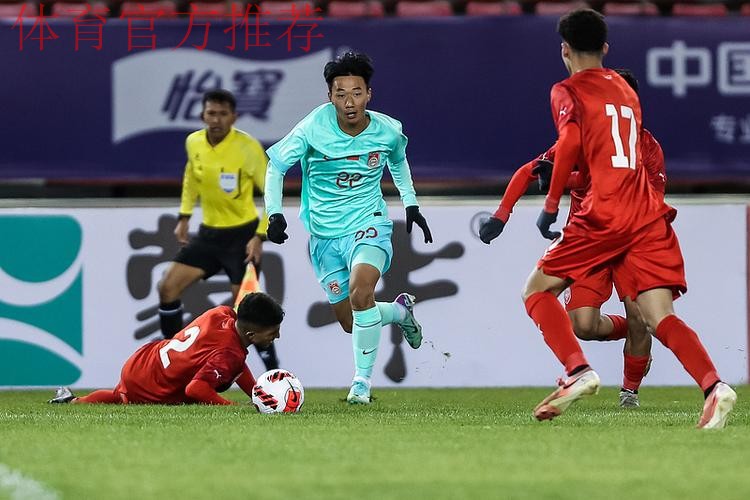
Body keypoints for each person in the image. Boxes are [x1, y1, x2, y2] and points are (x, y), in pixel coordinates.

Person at [518, 9, 736, 428]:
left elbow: (570, 143)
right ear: (605, 47)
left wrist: (551, 203)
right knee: (659, 317)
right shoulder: (626, 92)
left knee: (536, 291)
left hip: (603, 213)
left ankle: (577, 370)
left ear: (564, 50)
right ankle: (713, 386)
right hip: (647, 215)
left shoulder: (566, 91)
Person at [479, 69, 661, 408]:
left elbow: (637, 199)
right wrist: (501, 214)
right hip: (588, 242)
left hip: (631, 242)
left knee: (638, 314)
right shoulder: (579, 137)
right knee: (583, 325)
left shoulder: (646, 148)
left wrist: (567, 181)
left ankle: (629, 393)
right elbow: (531, 171)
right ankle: (636, 331)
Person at [263, 52, 433, 404]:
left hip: (368, 223)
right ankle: (399, 311)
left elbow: (398, 162)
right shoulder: (313, 127)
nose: (349, 102)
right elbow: (276, 166)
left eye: (356, 93)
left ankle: (361, 385)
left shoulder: (388, 130)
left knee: (360, 292)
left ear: (369, 93)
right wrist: (274, 213)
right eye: (340, 94)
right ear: (330, 97)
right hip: (324, 235)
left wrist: (411, 203)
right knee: (351, 321)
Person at [157, 89, 279, 371]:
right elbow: (191, 176)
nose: (216, 120)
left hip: (242, 236)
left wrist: (259, 236)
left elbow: (271, 192)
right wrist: (184, 215)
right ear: (202, 115)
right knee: (167, 287)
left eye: (223, 114)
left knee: (249, 312)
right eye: (211, 113)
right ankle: (171, 363)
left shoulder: (247, 147)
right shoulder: (194, 142)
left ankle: (274, 374)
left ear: (233, 117)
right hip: (209, 235)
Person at [49, 292, 283, 405]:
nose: (277, 336)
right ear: (251, 335)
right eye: (272, 332)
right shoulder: (229, 353)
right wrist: (231, 406)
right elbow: (196, 389)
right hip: (153, 384)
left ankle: (72, 401)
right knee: (124, 398)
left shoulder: (222, 313)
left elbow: (236, 366)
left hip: (145, 359)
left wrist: (258, 396)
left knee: (120, 395)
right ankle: (73, 401)